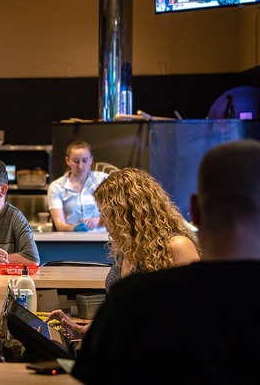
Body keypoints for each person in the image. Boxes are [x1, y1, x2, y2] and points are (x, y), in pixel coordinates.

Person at [71, 140, 260, 383]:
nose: (102, 221)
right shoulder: (125, 260)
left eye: (105, 213)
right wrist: (94, 329)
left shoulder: (133, 291)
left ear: (195, 210)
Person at [47, 168, 200, 340]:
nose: (102, 221)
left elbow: (196, 317)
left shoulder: (177, 246)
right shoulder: (126, 251)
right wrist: (84, 330)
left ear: (126, 213)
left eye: (105, 214)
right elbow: (122, 316)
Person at [47, 141, 108, 232]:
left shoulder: (104, 180)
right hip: (72, 238)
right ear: (67, 161)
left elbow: (118, 214)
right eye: (75, 161)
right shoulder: (56, 187)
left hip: (102, 238)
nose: (80, 166)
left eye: (85, 160)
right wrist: (74, 228)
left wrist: (98, 220)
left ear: (91, 160)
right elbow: (59, 224)